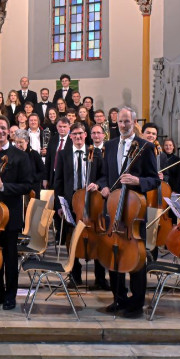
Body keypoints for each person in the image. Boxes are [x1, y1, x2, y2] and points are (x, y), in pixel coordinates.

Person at [88, 107, 159, 318]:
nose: (123, 124)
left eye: (127, 121)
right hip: (112, 207)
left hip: (134, 211)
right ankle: (119, 298)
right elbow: (103, 175)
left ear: (134, 122)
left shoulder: (145, 146)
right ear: (116, 122)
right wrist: (104, 186)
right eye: (120, 121)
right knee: (114, 253)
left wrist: (138, 181)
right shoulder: (109, 146)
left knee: (136, 258)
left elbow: (154, 179)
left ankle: (136, 304)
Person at [0, 116, 39, 311]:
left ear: (8, 132)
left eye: (2, 128)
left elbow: (27, 185)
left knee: (9, 256)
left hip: (9, 216)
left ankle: (10, 295)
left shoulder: (20, 156)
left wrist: (5, 186)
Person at [52, 123, 107, 289]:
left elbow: (104, 176)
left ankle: (100, 278)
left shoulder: (96, 153)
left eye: (80, 134)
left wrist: (97, 184)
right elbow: (58, 181)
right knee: (71, 238)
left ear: (85, 135)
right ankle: (75, 275)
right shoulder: (62, 155)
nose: (77, 137)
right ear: (70, 136)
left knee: (98, 237)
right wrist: (59, 205)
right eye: (74, 134)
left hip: (92, 201)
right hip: (71, 201)